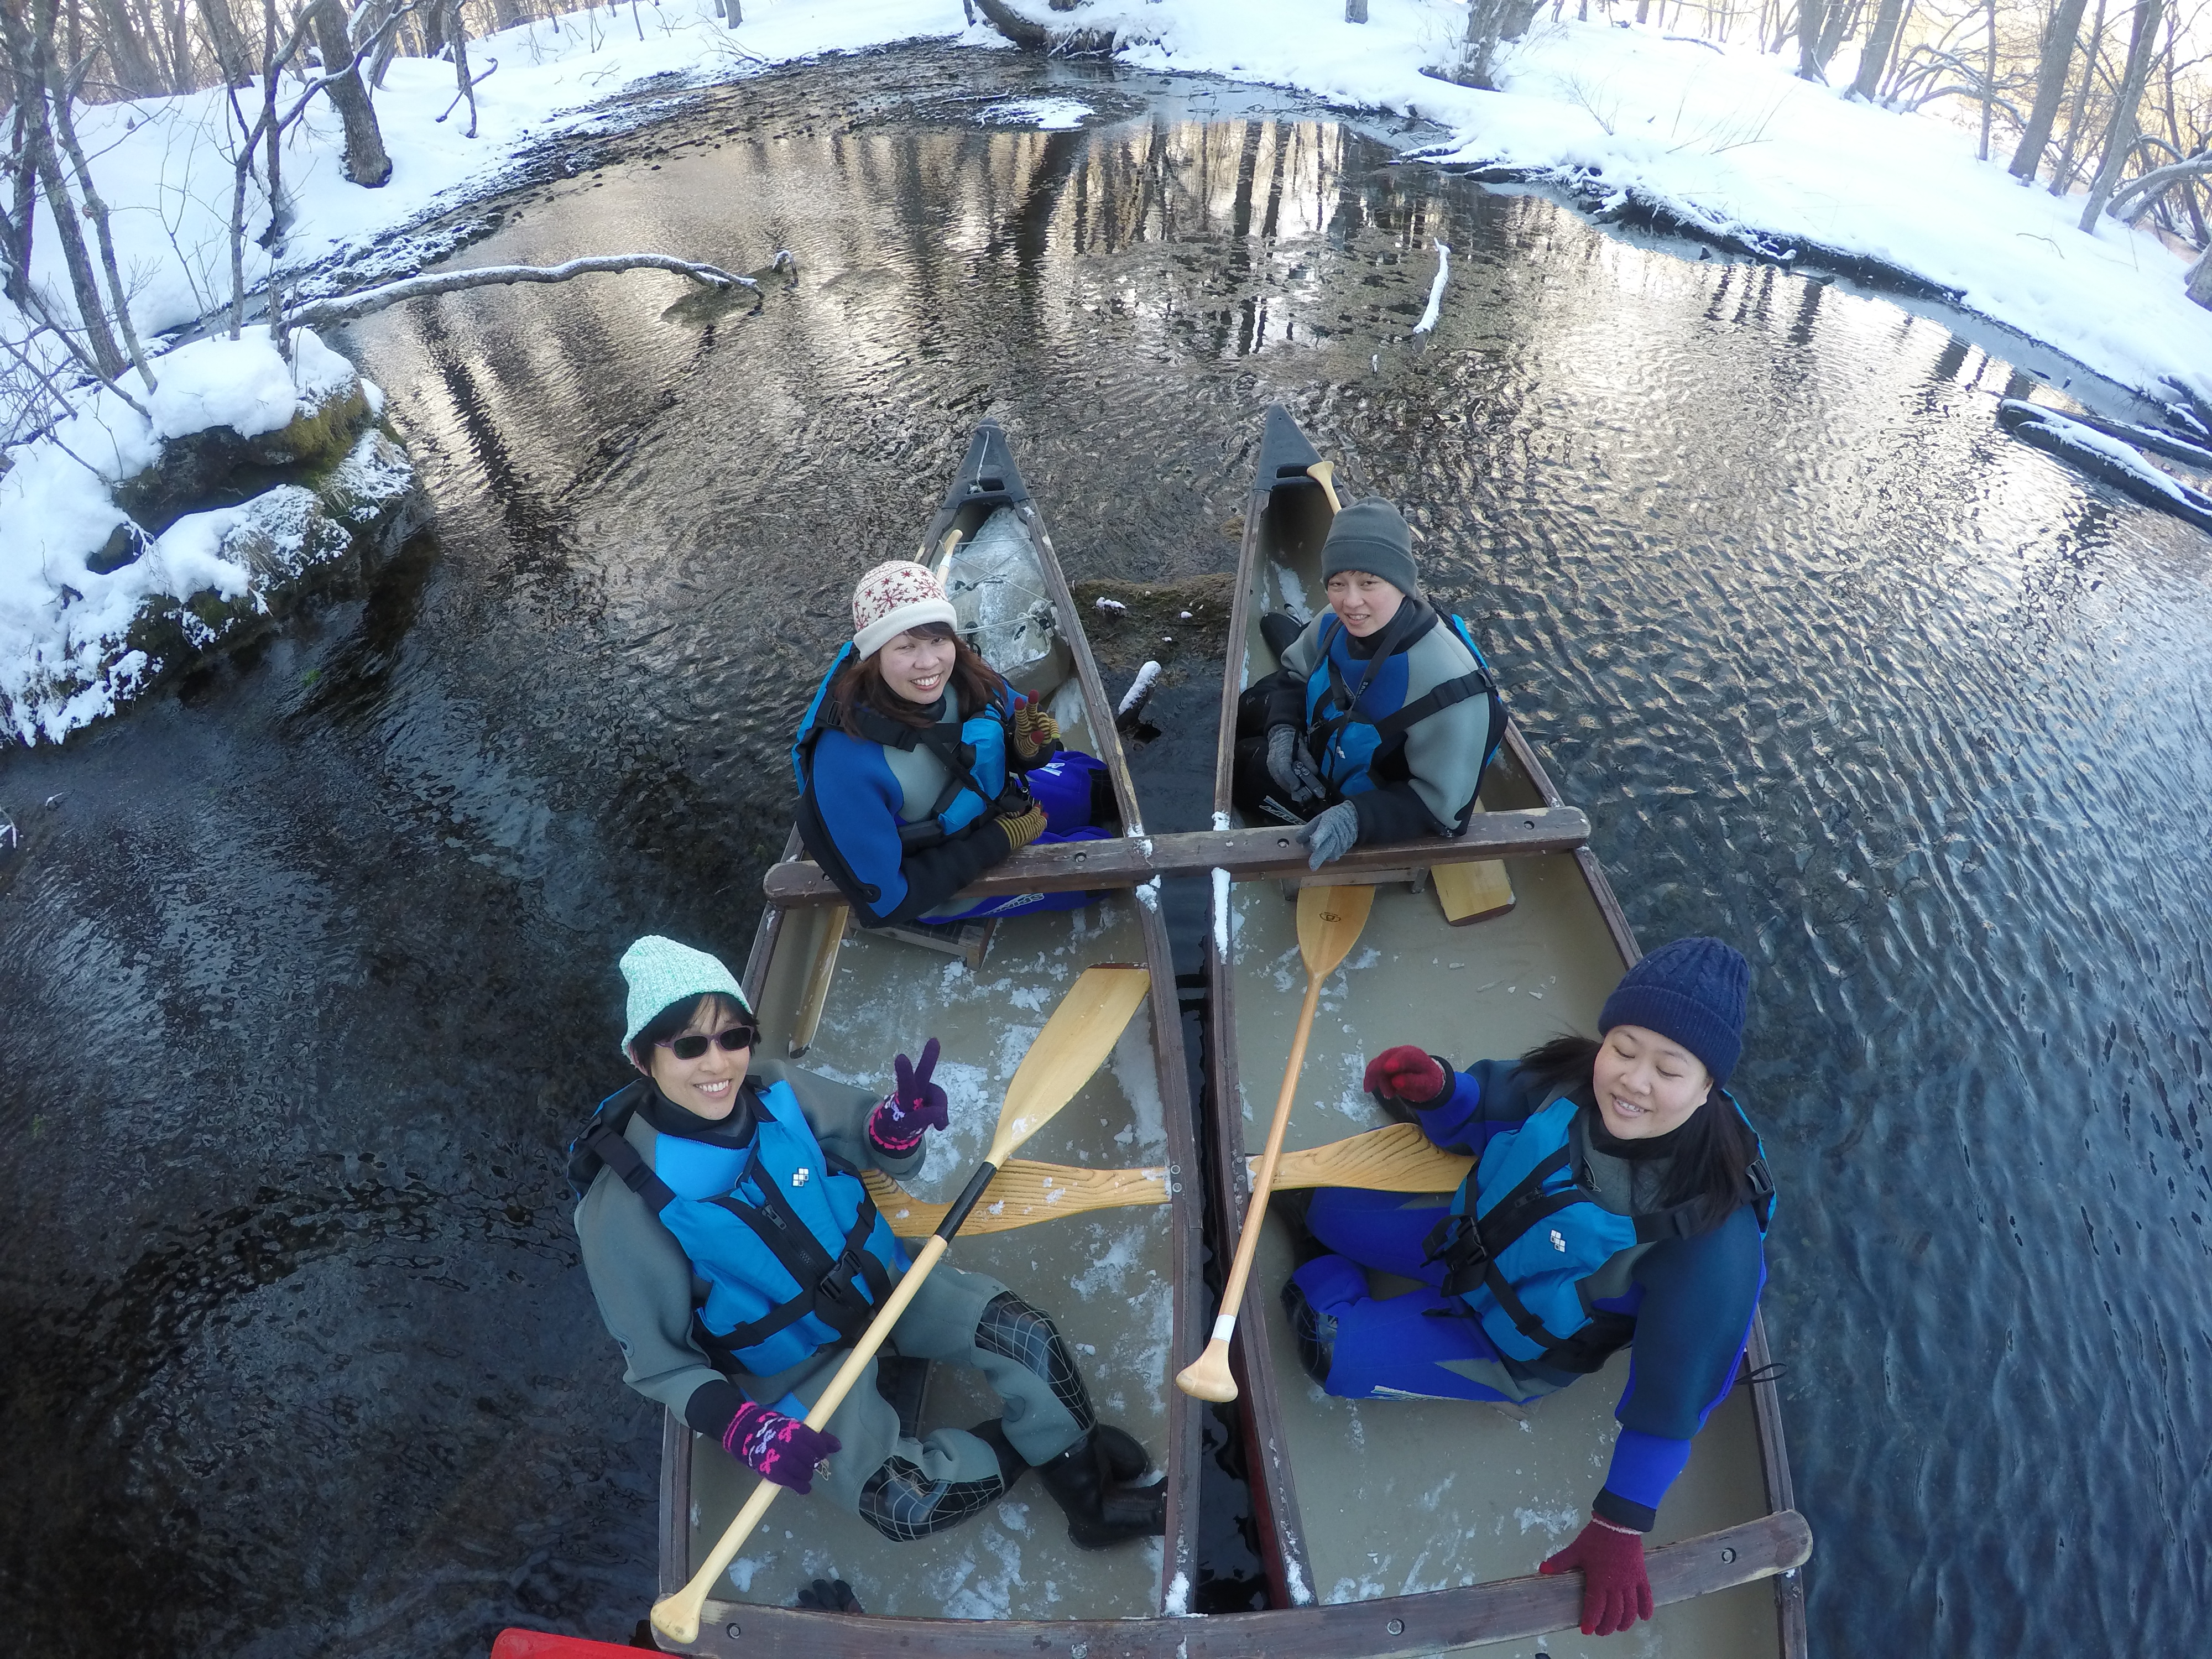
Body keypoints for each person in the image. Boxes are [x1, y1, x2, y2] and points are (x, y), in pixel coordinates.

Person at [572, 935, 1164, 1551]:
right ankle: (1040, 1447)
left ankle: (1089, 1505)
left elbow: (871, 1139)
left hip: (887, 1287)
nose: (718, 1065)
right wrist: (744, 1428)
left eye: (734, 1036)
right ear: (643, 1060)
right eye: (689, 1045)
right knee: (906, 1506)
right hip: (797, 1369)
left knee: (1025, 1337)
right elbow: (663, 1368)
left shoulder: (777, 1091)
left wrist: (896, 1128)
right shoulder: (621, 1213)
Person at [1279, 938, 1775, 1636]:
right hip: (1465, 1240)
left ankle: (1319, 1268)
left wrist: (1620, 1524)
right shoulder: (1576, 1081)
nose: (1632, 1082)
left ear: (1708, 1086)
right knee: (1327, 1203)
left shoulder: (1710, 1237)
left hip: (1513, 1344)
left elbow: (1674, 1399)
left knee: (1329, 1351)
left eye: (1668, 1069)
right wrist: (1437, 1090)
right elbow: (1490, 1103)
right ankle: (1331, 1244)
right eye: (1624, 1048)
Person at [794, 560, 1112, 930]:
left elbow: (1013, 724)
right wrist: (997, 842)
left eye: (937, 639)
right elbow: (888, 902)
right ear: (874, 656)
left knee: (1094, 785)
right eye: (906, 646)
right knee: (1097, 873)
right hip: (943, 864)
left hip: (987, 798)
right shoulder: (845, 766)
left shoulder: (963, 672)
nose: (929, 664)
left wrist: (1028, 750)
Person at [1230, 498, 1504, 869]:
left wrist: (1356, 819)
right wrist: (1282, 729)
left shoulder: (1452, 691)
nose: (1351, 602)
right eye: (1337, 583)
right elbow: (1295, 676)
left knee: (1244, 767)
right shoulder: (1334, 620)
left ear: (1402, 584)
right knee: (1247, 708)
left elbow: (1443, 811)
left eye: (1369, 583)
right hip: (1325, 742)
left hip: (1370, 798)